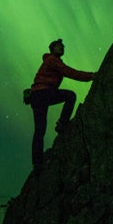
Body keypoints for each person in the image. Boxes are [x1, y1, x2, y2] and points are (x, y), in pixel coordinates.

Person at [28, 38, 95, 172]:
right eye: (58, 46)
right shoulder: (53, 60)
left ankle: (37, 164)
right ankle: (62, 124)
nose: (61, 48)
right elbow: (70, 72)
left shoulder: (52, 61)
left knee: (39, 129)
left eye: (62, 47)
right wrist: (91, 76)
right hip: (43, 93)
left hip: (38, 95)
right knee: (70, 96)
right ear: (52, 49)